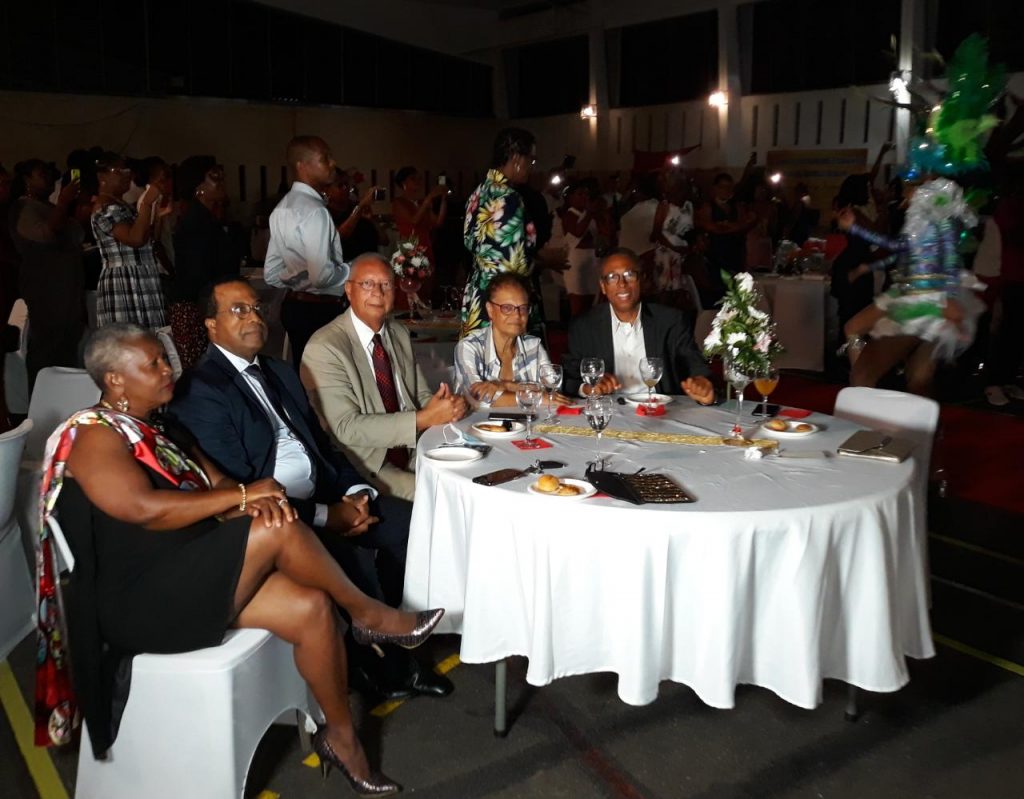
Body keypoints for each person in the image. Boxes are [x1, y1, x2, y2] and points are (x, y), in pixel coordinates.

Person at [35, 322, 444, 793]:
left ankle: (342, 738)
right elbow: (142, 509)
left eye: (165, 358)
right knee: (279, 528)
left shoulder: (162, 426)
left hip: (186, 569)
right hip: (140, 601)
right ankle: (369, 615)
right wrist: (246, 498)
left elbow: (220, 484)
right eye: (154, 364)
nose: (169, 369)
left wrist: (252, 499)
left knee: (311, 606)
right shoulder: (93, 435)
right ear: (115, 380)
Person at [167, 278, 452, 700]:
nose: (253, 317)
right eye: (238, 310)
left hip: (326, 493)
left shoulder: (279, 371)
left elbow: (322, 447)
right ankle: (388, 669)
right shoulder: (201, 391)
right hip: (275, 520)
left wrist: (357, 492)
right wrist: (326, 516)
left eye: (256, 308)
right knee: (351, 558)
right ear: (211, 325)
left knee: (410, 524)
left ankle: (386, 640)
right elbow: (244, 493)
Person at [301, 253, 467, 501]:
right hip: (366, 461)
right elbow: (346, 428)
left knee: (470, 476)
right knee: (445, 495)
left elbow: (419, 394)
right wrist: (423, 419)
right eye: (367, 284)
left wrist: (444, 406)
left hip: (413, 448)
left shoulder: (398, 332)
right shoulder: (325, 346)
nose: (378, 292)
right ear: (349, 290)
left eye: (386, 284)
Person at [563, 248, 716, 403]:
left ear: (641, 280)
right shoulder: (584, 326)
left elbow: (694, 364)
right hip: (609, 410)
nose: (622, 284)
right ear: (603, 286)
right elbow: (568, 378)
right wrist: (588, 388)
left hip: (661, 410)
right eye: (612, 277)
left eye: (629, 275)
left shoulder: (670, 320)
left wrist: (702, 385)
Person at [264, 136, 348, 367]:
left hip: (295, 307)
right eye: (325, 158)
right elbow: (321, 277)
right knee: (326, 378)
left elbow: (271, 274)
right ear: (302, 165)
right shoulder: (315, 211)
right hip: (320, 310)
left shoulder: (282, 207)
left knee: (305, 375)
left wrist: (299, 277)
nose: (333, 163)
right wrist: (354, 271)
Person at [10, 160, 87, 388]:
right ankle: (42, 398)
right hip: (46, 289)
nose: (49, 179)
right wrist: (63, 202)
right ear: (26, 179)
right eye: (41, 174)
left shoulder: (47, 206)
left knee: (67, 345)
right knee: (47, 346)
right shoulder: (24, 208)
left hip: (66, 289)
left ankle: (64, 398)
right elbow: (45, 235)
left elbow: (76, 233)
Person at [461, 127, 539, 337]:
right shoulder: (508, 198)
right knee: (503, 356)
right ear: (516, 158)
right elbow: (513, 263)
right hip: (504, 303)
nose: (531, 167)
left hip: (479, 293)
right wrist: (543, 260)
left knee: (478, 353)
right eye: (531, 160)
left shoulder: (479, 192)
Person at [454, 273, 567, 407]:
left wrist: (505, 385)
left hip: (530, 420)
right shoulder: (469, 347)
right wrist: (539, 398)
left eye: (523, 308)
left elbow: (553, 392)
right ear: (490, 310)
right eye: (507, 308)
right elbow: (477, 398)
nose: (517, 315)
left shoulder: (534, 347)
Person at [90, 152, 168, 329]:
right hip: (125, 281)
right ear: (101, 177)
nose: (127, 175)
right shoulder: (104, 208)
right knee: (128, 338)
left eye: (128, 171)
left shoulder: (122, 205)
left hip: (140, 277)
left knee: (148, 337)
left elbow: (149, 238)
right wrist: (146, 203)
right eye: (119, 171)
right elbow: (135, 238)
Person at [169, 174, 239, 370]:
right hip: (199, 305)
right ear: (199, 189)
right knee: (205, 367)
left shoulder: (208, 217)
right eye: (214, 178)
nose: (221, 183)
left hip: (206, 300)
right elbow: (197, 269)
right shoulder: (195, 221)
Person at [325, 168, 386, 261]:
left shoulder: (356, 206)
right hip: (349, 266)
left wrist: (372, 219)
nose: (345, 189)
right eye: (340, 186)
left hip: (372, 263)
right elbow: (339, 237)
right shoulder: (325, 212)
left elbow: (384, 240)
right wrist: (360, 206)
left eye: (347, 185)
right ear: (327, 190)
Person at [560, 181, 600, 317]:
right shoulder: (569, 215)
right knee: (578, 303)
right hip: (576, 262)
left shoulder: (589, 214)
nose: (584, 197)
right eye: (580, 194)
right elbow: (578, 232)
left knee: (591, 302)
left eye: (586, 194)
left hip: (591, 260)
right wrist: (589, 213)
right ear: (571, 197)